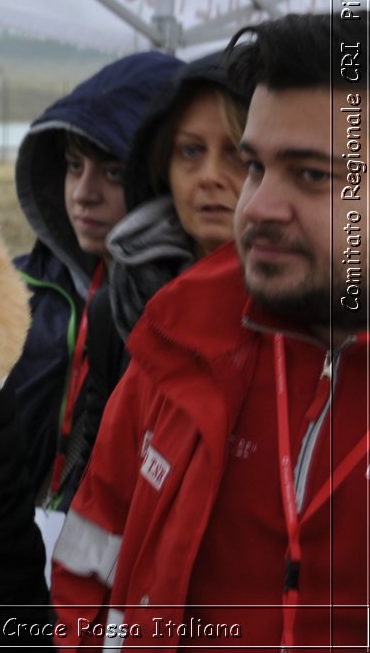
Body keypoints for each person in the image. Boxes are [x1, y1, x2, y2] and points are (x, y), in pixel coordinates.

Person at [51, 12, 369, 649]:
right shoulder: (176, 349)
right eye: (257, 167)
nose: (257, 206)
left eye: (310, 175)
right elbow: (87, 572)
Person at [46, 53, 249, 507]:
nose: (210, 176)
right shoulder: (115, 308)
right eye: (190, 151)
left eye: (237, 152)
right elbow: (100, 480)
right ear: (163, 167)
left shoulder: (307, 314)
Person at [3, 53, 183, 519]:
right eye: (72, 164)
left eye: (114, 172)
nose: (83, 193)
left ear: (162, 179)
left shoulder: (179, 319)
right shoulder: (13, 290)